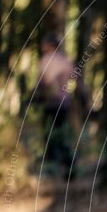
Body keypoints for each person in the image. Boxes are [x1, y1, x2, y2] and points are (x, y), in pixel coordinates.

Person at [36, 34, 74, 178]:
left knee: (49, 135)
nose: (41, 47)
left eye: (44, 44)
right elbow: (76, 80)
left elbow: (43, 81)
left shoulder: (45, 60)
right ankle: (69, 166)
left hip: (50, 104)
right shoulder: (65, 61)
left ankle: (52, 169)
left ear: (50, 45)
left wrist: (37, 96)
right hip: (64, 104)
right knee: (62, 134)